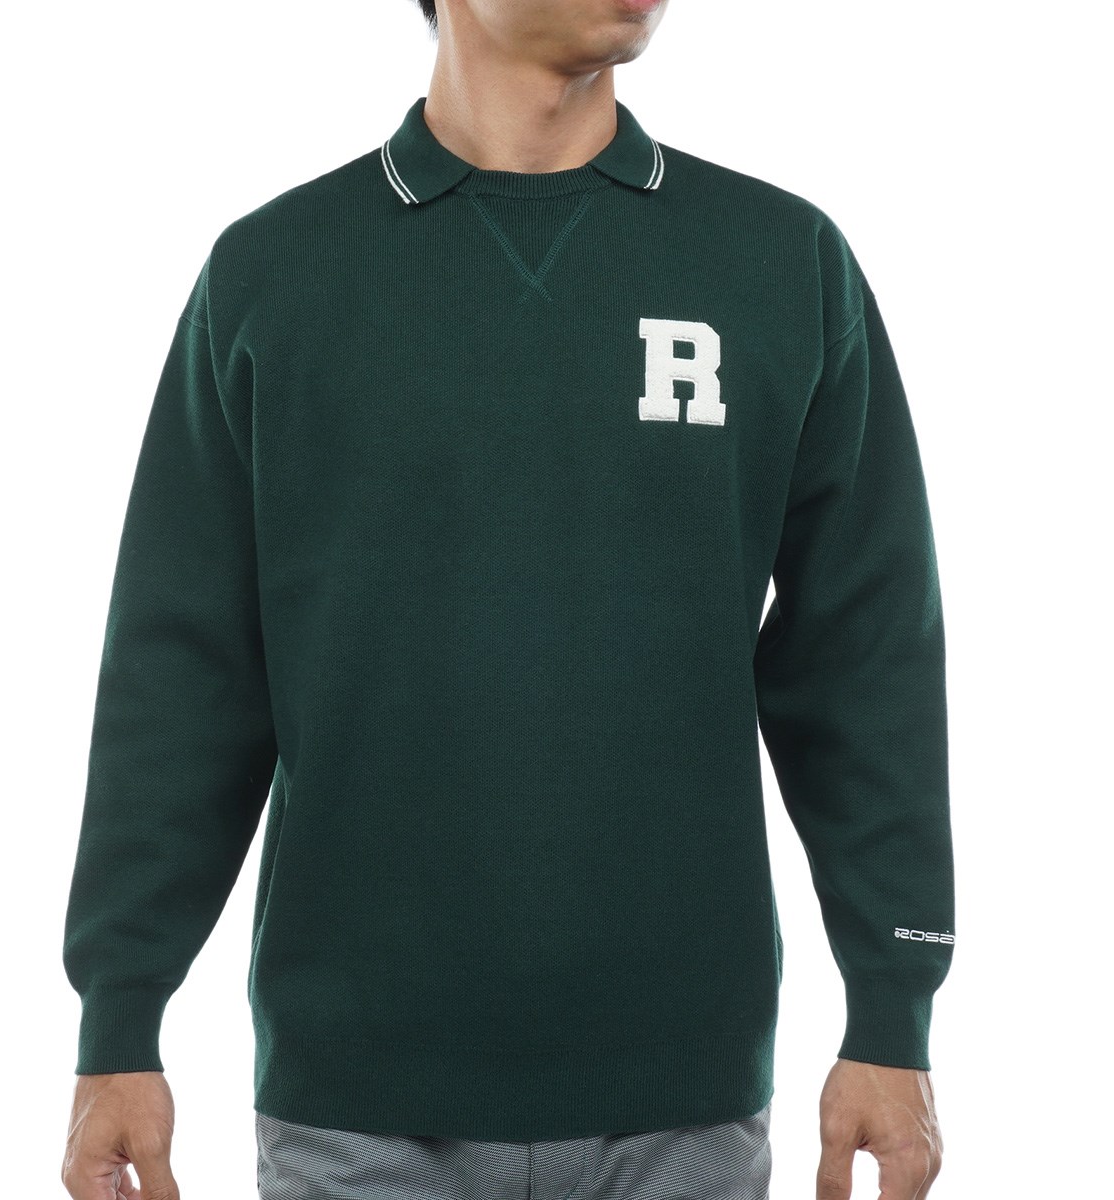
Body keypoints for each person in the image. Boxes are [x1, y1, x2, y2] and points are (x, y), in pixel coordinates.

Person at [59, 1, 955, 1197]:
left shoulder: (778, 262)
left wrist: (894, 1009)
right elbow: (183, 676)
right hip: (359, 1112)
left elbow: (866, 658)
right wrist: (119, 1021)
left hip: (680, 1101)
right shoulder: (277, 274)